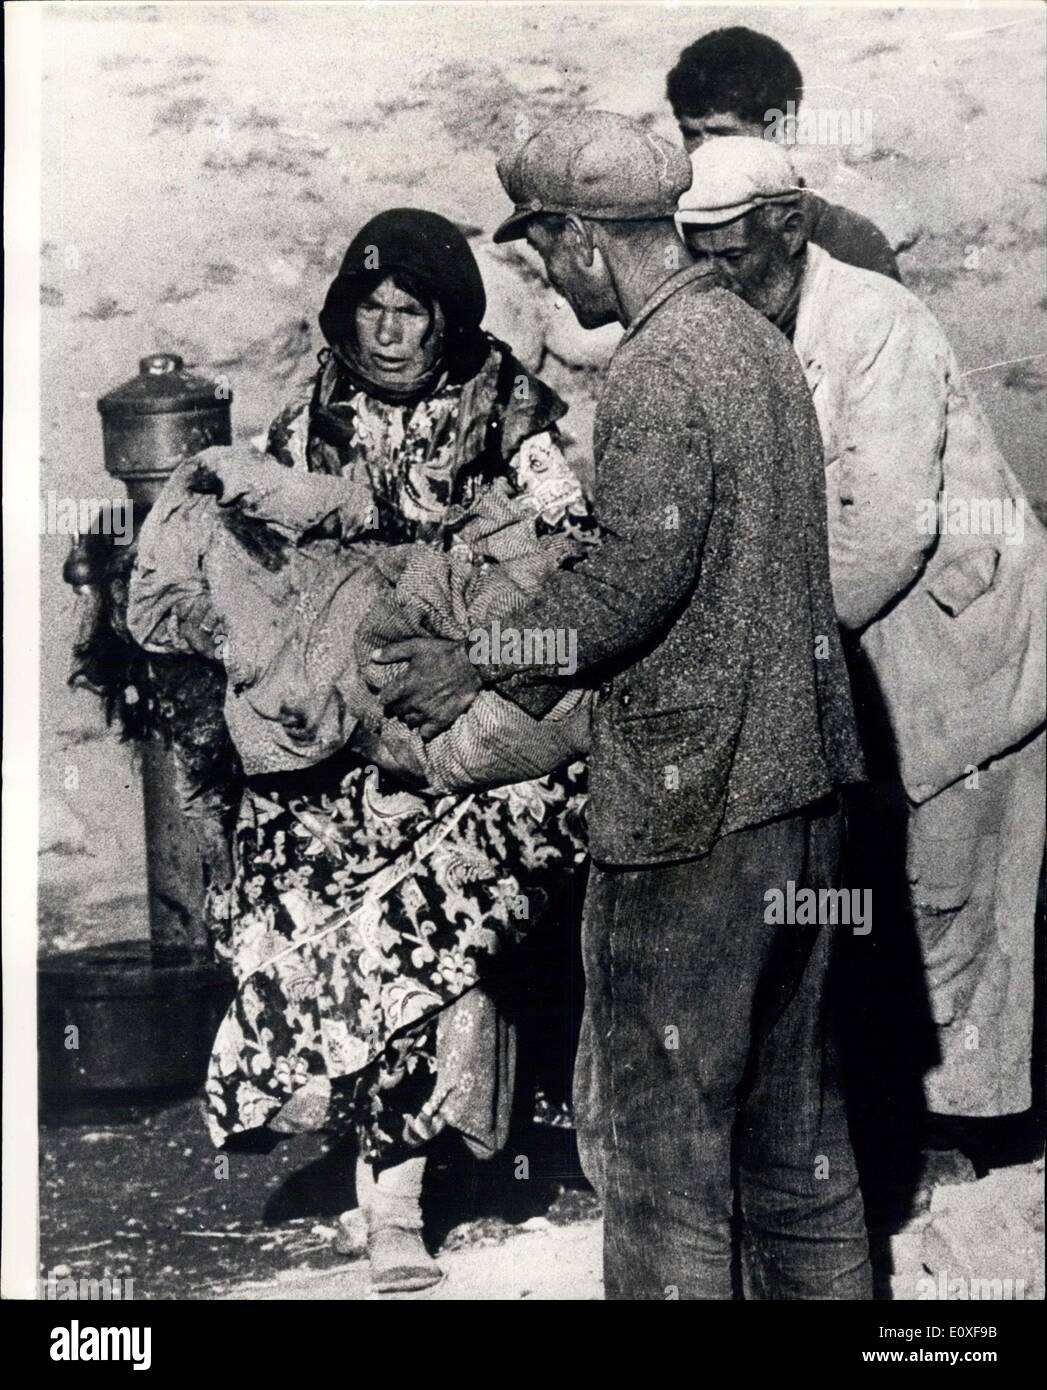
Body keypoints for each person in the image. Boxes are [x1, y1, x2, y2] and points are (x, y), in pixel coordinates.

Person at [377, 111, 873, 1300]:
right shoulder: (755, 338)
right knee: (797, 1147)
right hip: (804, 797)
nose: (551, 287)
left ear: (587, 242)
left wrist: (477, 657)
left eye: (547, 261)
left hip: (691, 814)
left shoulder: (658, 365)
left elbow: (630, 590)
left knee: (657, 1153)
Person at [128, 208, 596, 1295]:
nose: (388, 334)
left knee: (432, 954)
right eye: (371, 311)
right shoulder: (313, 415)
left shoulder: (506, 408)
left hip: (446, 713)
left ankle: (399, 1205)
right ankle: (367, 1159)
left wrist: (467, 603)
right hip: (334, 727)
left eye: (411, 313)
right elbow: (274, 557)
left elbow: (565, 547)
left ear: (448, 319)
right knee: (322, 934)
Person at [676, 136, 1047, 1180]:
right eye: (691, 254)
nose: (712, 278)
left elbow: (881, 528)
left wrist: (743, 652)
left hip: (965, 663)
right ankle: (909, 1141)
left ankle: (967, 1156)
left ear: (790, 227)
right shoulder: (747, 327)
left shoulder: (878, 322)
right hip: (866, 670)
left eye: (730, 254)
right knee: (882, 909)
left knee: (953, 913)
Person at [666, 25, 902, 282]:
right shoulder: (668, 239)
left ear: (781, 133)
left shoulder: (851, 244)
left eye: (723, 134)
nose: (703, 153)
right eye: (690, 134)